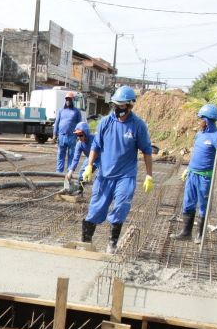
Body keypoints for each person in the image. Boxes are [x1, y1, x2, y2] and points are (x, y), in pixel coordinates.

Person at [81, 85, 154, 254]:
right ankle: (86, 241)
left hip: (125, 176)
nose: (117, 108)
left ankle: (112, 243)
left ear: (129, 106)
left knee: (121, 205)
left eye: (121, 105)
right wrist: (89, 166)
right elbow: (96, 146)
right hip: (105, 175)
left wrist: (149, 175)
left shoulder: (138, 125)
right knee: (96, 208)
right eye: (115, 104)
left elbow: (147, 151)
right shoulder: (106, 122)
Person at [172, 104, 217, 243]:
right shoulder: (200, 134)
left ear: (207, 120)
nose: (199, 122)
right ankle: (186, 232)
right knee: (188, 202)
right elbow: (196, 154)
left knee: (203, 204)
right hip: (192, 174)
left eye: (201, 119)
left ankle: (200, 234)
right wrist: (189, 169)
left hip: (205, 176)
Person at [64, 121, 99, 196]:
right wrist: (71, 171)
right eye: (77, 135)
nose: (79, 137)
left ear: (86, 133)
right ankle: (80, 191)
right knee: (81, 175)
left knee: (100, 177)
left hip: (101, 159)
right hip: (89, 159)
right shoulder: (79, 144)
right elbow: (75, 159)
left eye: (81, 135)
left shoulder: (95, 139)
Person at [53, 92, 83, 174]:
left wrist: (79, 136)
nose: (68, 101)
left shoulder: (76, 112)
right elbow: (57, 123)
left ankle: (69, 172)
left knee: (71, 155)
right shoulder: (61, 111)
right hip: (62, 136)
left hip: (72, 137)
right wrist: (54, 135)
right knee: (60, 155)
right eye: (67, 99)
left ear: (72, 100)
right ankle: (59, 172)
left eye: (69, 99)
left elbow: (80, 124)